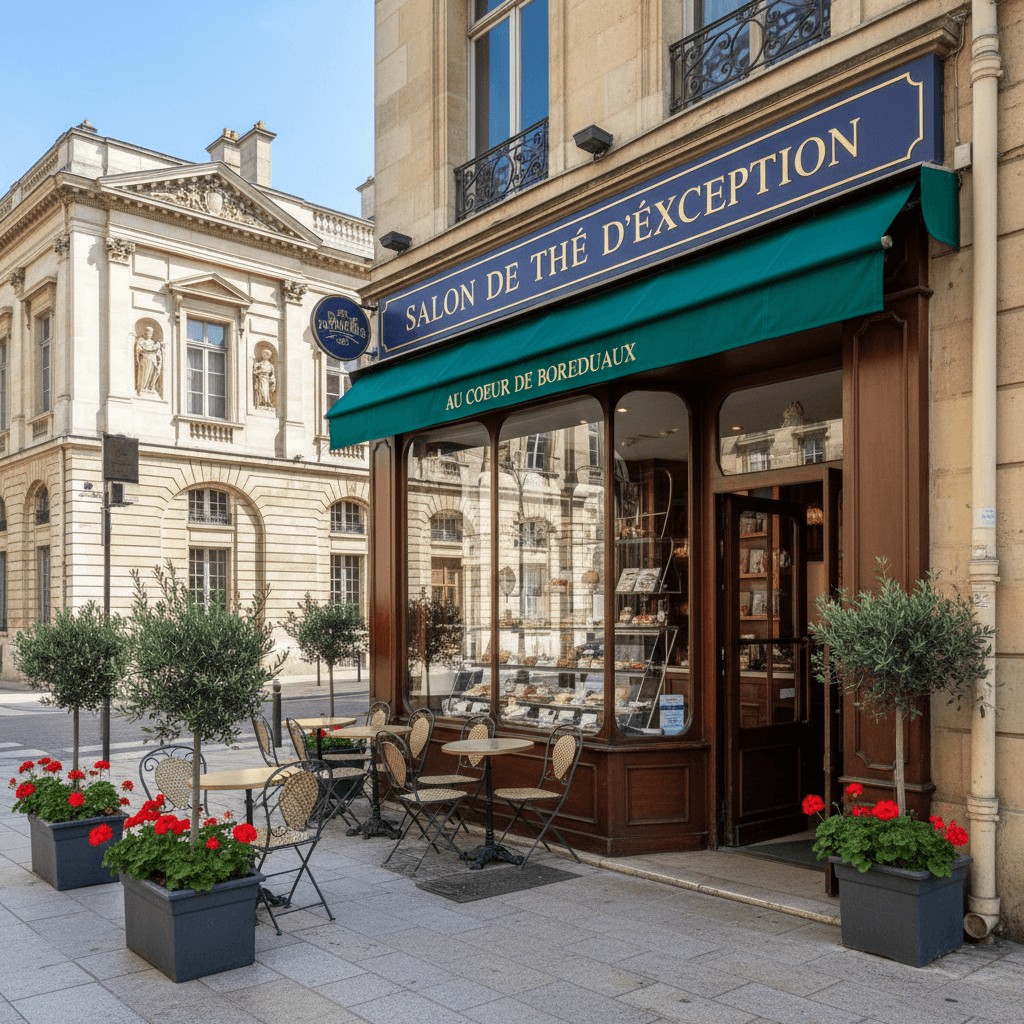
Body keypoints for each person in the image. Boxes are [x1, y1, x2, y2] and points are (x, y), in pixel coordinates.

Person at [135, 326, 162, 393]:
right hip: (145, 359)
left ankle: (150, 387)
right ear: (145, 333)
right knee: (144, 373)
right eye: (148, 332)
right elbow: (139, 350)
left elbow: (158, 353)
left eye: (151, 333)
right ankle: (143, 387)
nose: (149, 334)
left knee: (152, 373)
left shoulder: (155, 343)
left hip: (153, 359)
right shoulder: (142, 341)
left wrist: (159, 362)